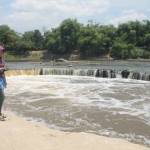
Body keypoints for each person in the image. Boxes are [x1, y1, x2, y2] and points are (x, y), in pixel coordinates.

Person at [0, 44, 7, 121]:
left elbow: (3, 70)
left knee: (1, 97)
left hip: (1, 79)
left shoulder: (2, 59)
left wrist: (5, 81)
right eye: (2, 51)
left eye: (3, 51)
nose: (3, 52)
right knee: (2, 96)